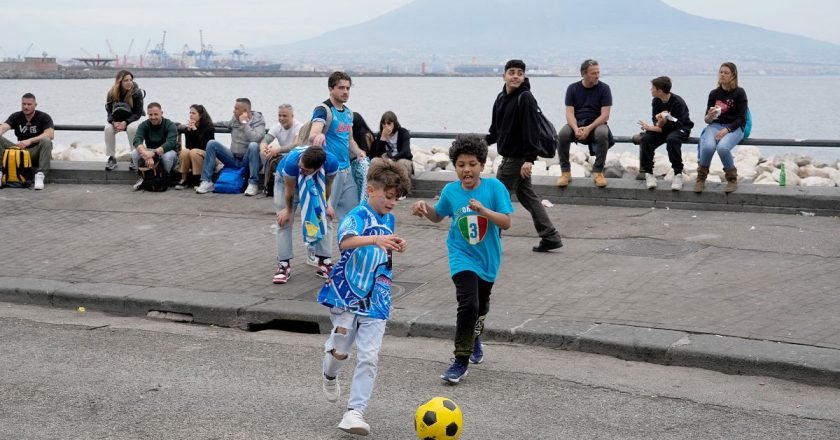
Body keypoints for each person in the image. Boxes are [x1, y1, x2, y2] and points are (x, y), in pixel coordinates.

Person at [317, 157, 410, 436]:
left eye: (397, 198)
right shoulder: (357, 215)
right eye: (388, 196)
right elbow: (345, 242)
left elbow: (384, 246)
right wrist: (375, 239)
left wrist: (395, 243)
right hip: (347, 295)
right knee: (341, 352)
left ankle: (354, 413)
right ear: (371, 190)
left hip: (377, 298)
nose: (392, 202)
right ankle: (329, 372)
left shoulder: (389, 218)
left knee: (369, 356)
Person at [410, 134, 513, 384]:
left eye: (472, 164)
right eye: (461, 165)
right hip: (461, 255)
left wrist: (484, 210)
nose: (466, 170)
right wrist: (425, 210)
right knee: (468, 304)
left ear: (481, 166)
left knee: (481, 306)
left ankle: (474, 338)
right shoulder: (451, 191)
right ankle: (460, 360)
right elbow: (438, 216)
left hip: (488, 258)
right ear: (455, 166)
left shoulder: (494, 188)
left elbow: (507, 222)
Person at [486, 59, 563, 253]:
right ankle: (550, 236)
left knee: (495, 197)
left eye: (520, 73)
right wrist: (477, 144)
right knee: (528, 196)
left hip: (518, 159)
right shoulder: (500, 98)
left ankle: (491, 241)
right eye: (511, 72)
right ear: (503, 75)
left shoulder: (526, 97)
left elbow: (532, 130)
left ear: (524, 77)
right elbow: (495, 131)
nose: (515, 76)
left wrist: (529, 159)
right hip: (511, 157)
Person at [272, 146, 339, 284]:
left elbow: (328, 185)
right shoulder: (293, 164)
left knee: (326, 217)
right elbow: (289, 191)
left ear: (317, 168)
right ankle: (283, 265)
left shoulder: (331, 163)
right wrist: (288, 211)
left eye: (305, 170)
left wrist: (326, 205)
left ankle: (324, 261)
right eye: (301, 166)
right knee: (283, 221)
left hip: (316, 182)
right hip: (287, 182)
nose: (301, 170)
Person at [309, 71, 367, 222]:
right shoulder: (323, 110)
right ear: (331, 89)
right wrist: (319, 135)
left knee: (352, 216)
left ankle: (349, 245)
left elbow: (350, 140)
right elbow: (313, 134)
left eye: (348, 88)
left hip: (347, 171)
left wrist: (359, 152)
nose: (345, 92)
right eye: (341, 88)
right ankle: (317, 245)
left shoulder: (348, 113)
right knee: (325, 216)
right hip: (330, 173)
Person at [556, 59, 614, 188]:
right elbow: (569, 112)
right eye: (593, 73)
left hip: (596, 123)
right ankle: (565, 172)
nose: (597, 75)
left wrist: (588, 128)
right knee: (563, 134)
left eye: (598, 72)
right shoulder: (572, 88)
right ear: (583, 74)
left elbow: (605, 115)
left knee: (602, 133)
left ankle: (598, 172)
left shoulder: (604, 88)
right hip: (577, 122)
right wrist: (576, 128)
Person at [695, 62, 748, 194]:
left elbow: (742, 118)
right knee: (707, 147)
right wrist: (710, 116)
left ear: (733, 76)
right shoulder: (714, 93)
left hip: (734, 128)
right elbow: (706, 120)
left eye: (726, 73)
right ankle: (701, 178)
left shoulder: (739, 93)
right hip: (715, 125)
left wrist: (727, 130)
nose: (722, 75)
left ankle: (732, 179)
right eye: (721, 72)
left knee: (722, 148)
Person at [195, 98, 265, 196]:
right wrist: (206, 124)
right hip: (233, 158)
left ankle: (253, 184)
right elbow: (226, 124)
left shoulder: (258, 122)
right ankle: (207, 181)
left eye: (236, 109)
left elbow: (255, 138)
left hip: (248, 161)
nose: (233, 111)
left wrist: (245, 124)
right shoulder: (235, 119)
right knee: (212, 143)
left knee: (253, 145)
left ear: (244, 111)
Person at [637, 76, 694, 191]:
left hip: (681, 128)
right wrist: (657, 124)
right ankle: (649, 173)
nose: (650, 90)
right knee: (646, 139)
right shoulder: (656, 101)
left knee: (672, 139)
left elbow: (677, 124)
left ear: (660, 91)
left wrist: (655, 126)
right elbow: (656, 121)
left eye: (652, 88)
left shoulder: (678, 102)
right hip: (664, 128)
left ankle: (678, 174)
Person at [0, 93, 54, 190]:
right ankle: (0, 172)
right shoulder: (16, 116)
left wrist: (29, 141)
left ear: (35, 105)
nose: (26, 107)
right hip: (20, 152)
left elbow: (50, 134)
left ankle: (40, 175)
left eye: (29, 104)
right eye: (23, 104)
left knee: (46, 141)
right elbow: (4, 127)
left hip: (36, 152)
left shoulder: (44, 117)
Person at [130, 102, 178, 190]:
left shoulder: (170, 125)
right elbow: (137, 140)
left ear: (161, 113)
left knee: (168, 156)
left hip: (166, 151)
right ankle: (142, 177)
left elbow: (171, 143)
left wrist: (153, 153)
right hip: (150, 151)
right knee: (134, 153)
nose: (153, 117)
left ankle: (164, 178)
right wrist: (146, 154)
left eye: (156, 114)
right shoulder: (144, 125)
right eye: (150, 114)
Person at [104, 69, 145, 171]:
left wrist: (125, 122)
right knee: (108, 128)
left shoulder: (137, 93)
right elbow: (109, 112)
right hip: (117, 120)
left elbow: (138, 113)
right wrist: (113, 122)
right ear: (119, 82)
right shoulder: (111, 93)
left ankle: (134, 157)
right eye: (126, 80)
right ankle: (112, 158)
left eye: (130, 80)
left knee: (131, 128)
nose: (129, 82)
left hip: (133, 119)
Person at [261, 104, 303, 196]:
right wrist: (264, 149)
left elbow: (295, 145)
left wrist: (278, 150)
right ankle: (268, 185)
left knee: (286, 157)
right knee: (265, 153)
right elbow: (265, 140)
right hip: (284, 156)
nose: (281, 118)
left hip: (297, 156)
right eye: (279, 116)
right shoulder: (276, 127)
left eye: (284, 116)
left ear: (292, 116)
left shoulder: (299, 127)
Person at [176, 104, 215, 190]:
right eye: (190, 113)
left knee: (194, 152)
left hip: (207, 154)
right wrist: (189, 132)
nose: (190, 115)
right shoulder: (189, 127)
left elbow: (205, 145)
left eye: (193, 113)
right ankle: (184, 179)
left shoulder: (208, 127)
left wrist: (195, 130)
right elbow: (188, 146)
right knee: (184, 151)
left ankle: (199, 179)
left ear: (200, 115)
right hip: (193, 153)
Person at [370, 110, 413, 178]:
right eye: (384, 124)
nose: (386, 126)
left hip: (401, 158)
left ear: (394, 123)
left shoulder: (403, 132)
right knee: (374, 161)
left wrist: (393, 159)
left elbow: (405, 151)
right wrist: (383, 137)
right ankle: (375, 185)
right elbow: (377, 153)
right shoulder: (381, 135)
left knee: (402, 163)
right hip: (386, 159)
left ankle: (403, 186)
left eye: (389, 123)